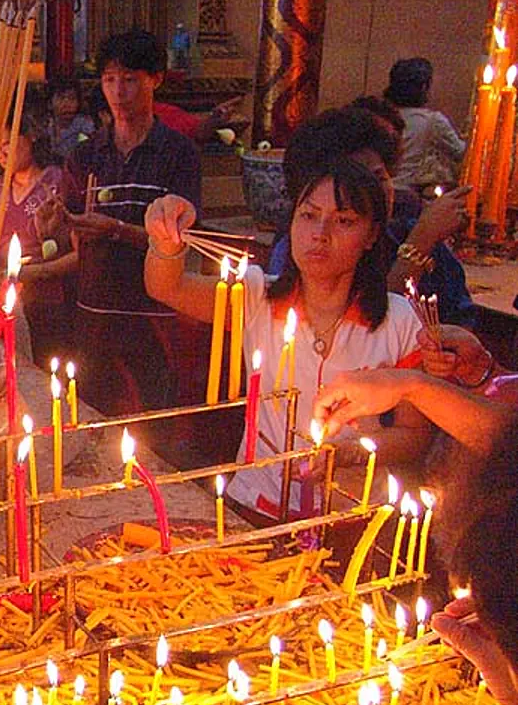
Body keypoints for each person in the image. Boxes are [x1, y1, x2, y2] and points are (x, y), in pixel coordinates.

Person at [144, 158, 433, 519]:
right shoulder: (255, 296)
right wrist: (165, 240)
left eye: (344, 221)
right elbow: (166, 286)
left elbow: (414, 436)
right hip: (255, 505)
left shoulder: (400, 321)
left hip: (350, 514)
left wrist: (353, 452)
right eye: (308, 215)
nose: (320, 233)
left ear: (372, 235)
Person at [59, 30, 202, 424]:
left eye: (130, 79)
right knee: (89, 421)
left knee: (154, 424)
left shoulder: (178, 153)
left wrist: (116, 230)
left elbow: (185, 239)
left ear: (155, 78)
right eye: (109, 80)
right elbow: (69, 232)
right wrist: (54, 224)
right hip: (94, 311)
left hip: (151, 315)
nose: (118, 92)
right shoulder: (86, 155)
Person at [267, 106, 475, 328]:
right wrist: (419, 243)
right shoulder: (306, 245)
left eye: (380, 176)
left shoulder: (405, 227)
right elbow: (364, 333)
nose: (376, 191)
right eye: (360, 181)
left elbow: (462, 320)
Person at [0, 106, 78, 368]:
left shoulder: (56, 182)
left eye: (8, 144)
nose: (2, 154)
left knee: (45, 368)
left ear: (31, 136)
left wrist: (39, 270)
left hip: (48, 301)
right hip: (6, 297)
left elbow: (76, 250)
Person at [385, 57, 466, 194]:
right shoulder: (432, 121)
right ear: (424, 87)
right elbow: (461, 153)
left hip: (378, 191)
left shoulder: (380, 114)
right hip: (407, 195)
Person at [47, 77, 95, 159]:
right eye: (61, 98)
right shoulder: (46, 126)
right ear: (50, 103)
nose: (67, 104)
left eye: (72, 98)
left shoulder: (84, 125)